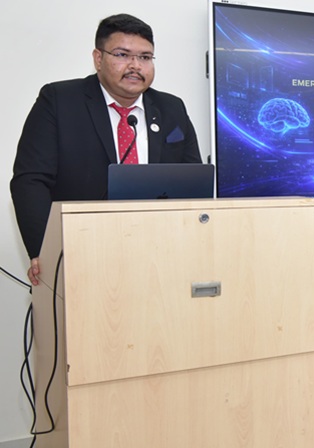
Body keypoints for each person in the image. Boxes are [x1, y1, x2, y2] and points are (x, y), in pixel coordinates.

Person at [10, 13, 202, 285]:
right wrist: (47, 252)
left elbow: (193, 182)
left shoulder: (172, 108)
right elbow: (30, 181)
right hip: (81, 254)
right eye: (122, 55)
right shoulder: (59, 101)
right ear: (98, 58)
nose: (135, 66)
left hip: (160, 257)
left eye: (145, 57)